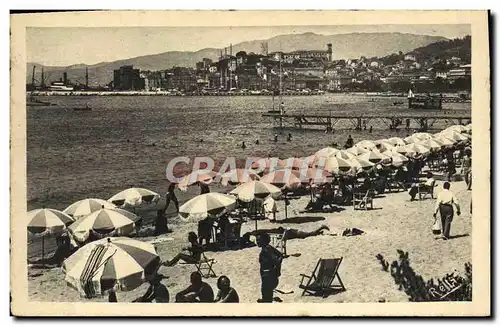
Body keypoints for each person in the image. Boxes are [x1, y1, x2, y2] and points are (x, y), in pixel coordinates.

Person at [257, 233, 283, 303]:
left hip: (267, 276)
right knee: (267, 293)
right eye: (257, 240)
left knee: (267, 295)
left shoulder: (266, 250)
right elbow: (280, 255)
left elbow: (276, 261)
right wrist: (277, 270)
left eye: (259, 240)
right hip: (269, 274)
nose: (257, 242)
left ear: (264, 241)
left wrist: (277, 269)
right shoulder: (269, 247)